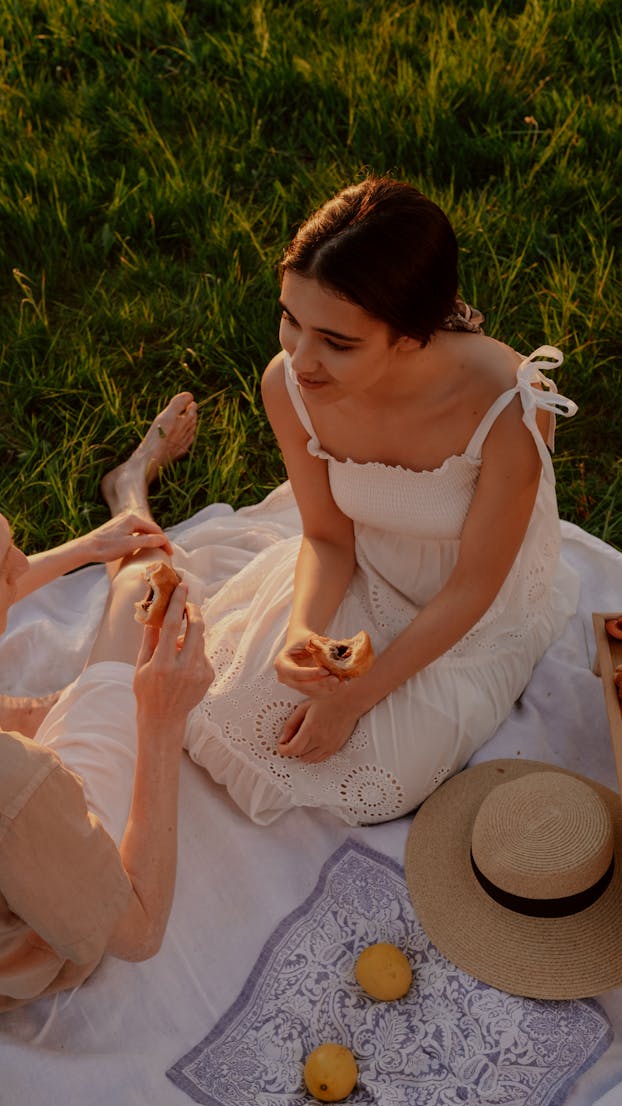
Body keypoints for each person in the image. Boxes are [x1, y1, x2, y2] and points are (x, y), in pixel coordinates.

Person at [182, 174, 580, 826]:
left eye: (337, 342)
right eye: (290, 318)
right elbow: (328, 536)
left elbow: (478, 584)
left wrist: (355, 697)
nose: (301, 359)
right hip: (361, 561)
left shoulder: (508, 405)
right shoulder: (287, 385)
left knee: (384, 776)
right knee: (223, 708)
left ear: (410, 335)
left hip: (466, 604)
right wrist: (302, 635)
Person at [0, 393, 213, 1018]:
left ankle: (61, 703)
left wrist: (83, 549)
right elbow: (138, 934)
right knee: (144, 587)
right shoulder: (19, 787)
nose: (23, 563)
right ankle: (129, 486)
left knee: (40, 701)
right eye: (0, 566)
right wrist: (159, 721)